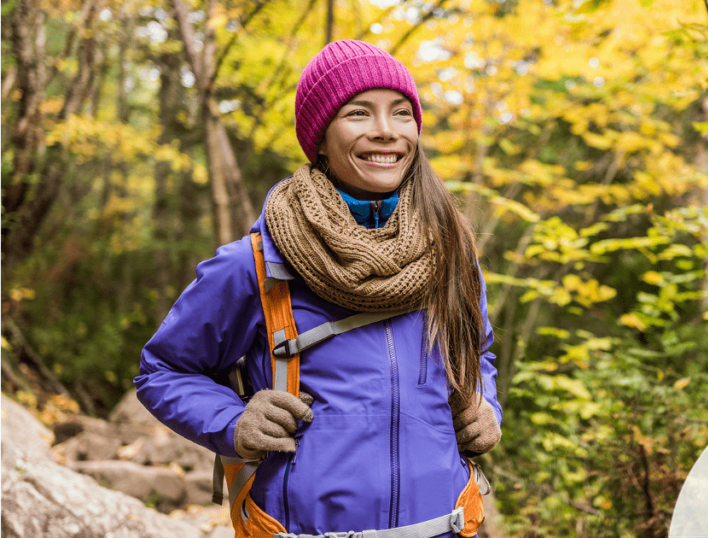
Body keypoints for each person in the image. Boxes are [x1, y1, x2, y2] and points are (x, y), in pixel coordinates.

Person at [135, 40, 502, 538]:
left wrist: (487, 407)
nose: (387, 131)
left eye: (401, 113)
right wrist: (232, 421)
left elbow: (477, 353)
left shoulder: (451, 253)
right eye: (358, 113)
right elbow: (164, 369)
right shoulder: (257, 262)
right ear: (321, 139)